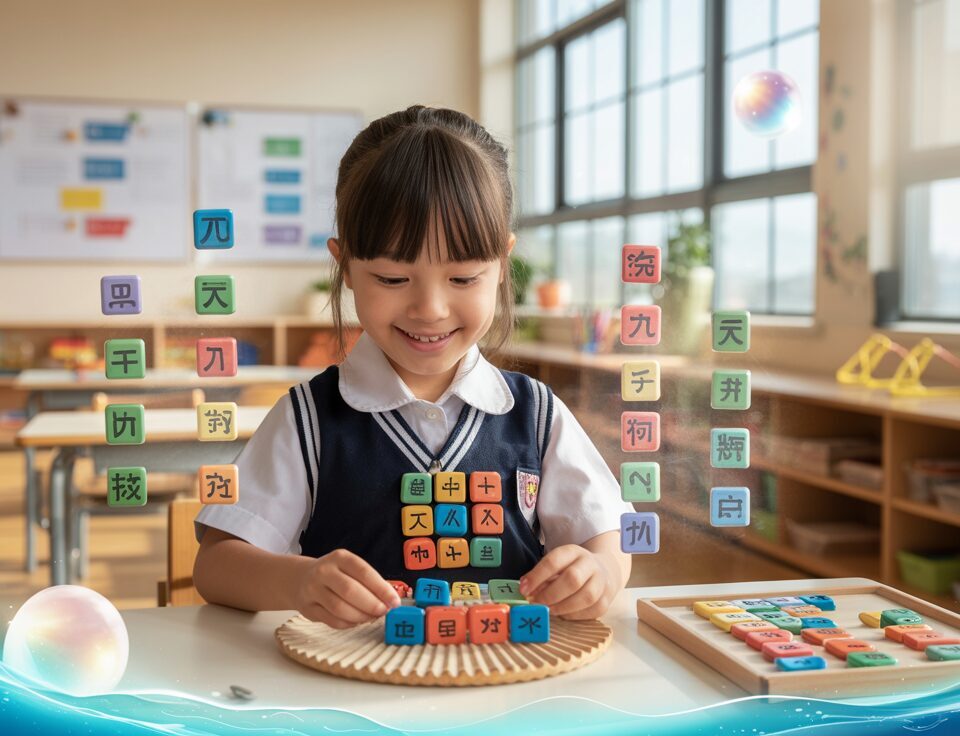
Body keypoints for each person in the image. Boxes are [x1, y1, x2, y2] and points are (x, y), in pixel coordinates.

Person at [193, 105, 632, 630]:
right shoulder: (308, 419)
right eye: (393, 279)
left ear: (501, 265)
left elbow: (608, 533)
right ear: (347, 268)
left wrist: (600, 571)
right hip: (353, 693)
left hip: (507, 687)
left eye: (464, 278)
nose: (430, 309)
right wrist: (298, 582)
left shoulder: (536, 414)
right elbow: (216, 565)